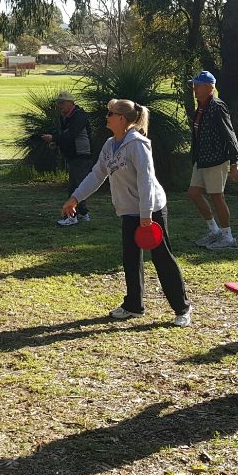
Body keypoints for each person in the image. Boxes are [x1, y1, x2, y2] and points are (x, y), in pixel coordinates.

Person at [62, 99, 192, 326]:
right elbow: (96, 175)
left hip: (151, 210)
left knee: (162, 258)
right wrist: (75, 198)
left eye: (110, 113)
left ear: (122, 119)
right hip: (129, 211)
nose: (107, 117)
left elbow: (146, 180)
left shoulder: (137, 144)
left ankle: (182, 308)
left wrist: (146, 215)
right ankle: (134, 306)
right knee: (130, 259)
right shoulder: (110, 144)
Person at [186, 70, 238, 250]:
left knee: (217, 197)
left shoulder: (217, 106)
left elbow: (230, 134)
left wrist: (234, 163)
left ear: (210, 87)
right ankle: (214, 230)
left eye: (198, 85)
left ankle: (228, 237)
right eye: (194, 84)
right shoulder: (200, 107)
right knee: (194, 193)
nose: (195, 88)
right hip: (201, 160)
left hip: (217, 160)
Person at [42, 91, 93, 226]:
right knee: (78, 185)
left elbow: (71, 134)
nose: (60, 106)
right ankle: (83, 213)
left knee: (75, 187)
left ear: (71, 103)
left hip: (81, 156)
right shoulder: (65, 117)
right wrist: (56, 142)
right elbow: (65, 136)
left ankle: (72, 216)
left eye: (62, 103)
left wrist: (54, 138)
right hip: (73, 156)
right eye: (59, 103)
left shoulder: (79, 116)